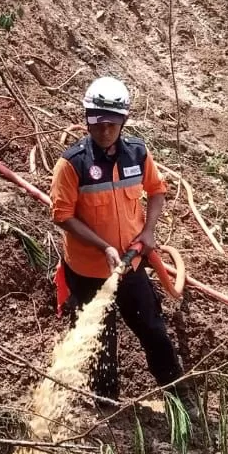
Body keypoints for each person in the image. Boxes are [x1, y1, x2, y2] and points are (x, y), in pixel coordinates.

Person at [49, 77, 184, 407]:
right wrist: (104, 247)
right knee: (100, 342)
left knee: (153, 330)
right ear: (86, 117)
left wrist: (149, 231)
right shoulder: (73, 164)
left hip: (131, 267)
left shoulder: (137, 154)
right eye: (96, 120)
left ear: (124, 120)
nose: (104, 128)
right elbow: (62, 214)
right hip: (88, 272)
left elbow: (156, 191)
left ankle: (180, 397)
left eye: (111, 122)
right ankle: (106, 408)